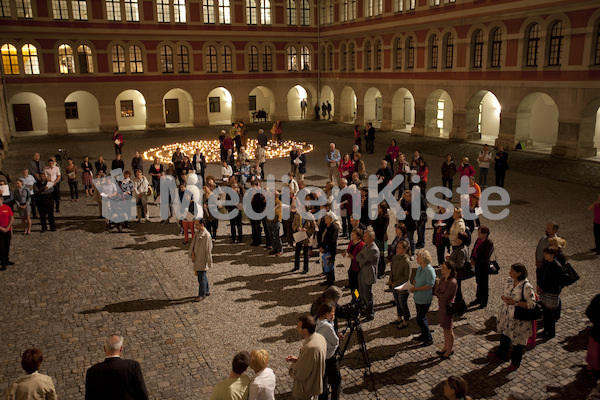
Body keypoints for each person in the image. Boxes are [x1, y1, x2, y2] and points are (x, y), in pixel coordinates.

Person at [488, 263, 536, 372]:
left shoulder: (526, 286)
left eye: (512, 271)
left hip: (518, 318)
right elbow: (503, 293)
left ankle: (515, 362)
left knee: (517, 342)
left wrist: (515, 302)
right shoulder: (509, 281)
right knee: (505, 336)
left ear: (519, 273)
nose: (510, 273)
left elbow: (532, 304)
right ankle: (501, 354)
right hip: (507, 315)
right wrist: (503, 298)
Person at [85, 334, 148, 400]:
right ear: (121, 348)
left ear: (104, 348)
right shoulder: (133, 366)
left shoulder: (92, 371)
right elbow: (142, 393)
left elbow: (89, 397)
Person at [287, 314, 327, 400]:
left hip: (307, 388)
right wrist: (298, 359)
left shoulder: (310, 347)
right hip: (314, 385)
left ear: (305, 330)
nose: (296, 328)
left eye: (298, 326)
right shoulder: (320, 337)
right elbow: (312, 361)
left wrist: (292, 367)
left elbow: (301, 372)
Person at [410, 249, 436, 347]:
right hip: (418, 297)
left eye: (418, 257)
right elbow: (416, 279)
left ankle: (429, 338)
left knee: (420, 319)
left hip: (425, 298)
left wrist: (416, 288)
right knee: (422, 317)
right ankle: (424, 335)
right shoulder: (420, 268)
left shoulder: (429, 270)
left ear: (424, 258)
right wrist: (412, 285)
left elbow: (429, 285)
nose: (417, 258)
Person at [315, 303, 341, 400]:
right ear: (326, 314)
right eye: (332, 314)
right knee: (336, 381)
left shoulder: (316, 321)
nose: (333, 316)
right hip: (329, 357)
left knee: (323, 381)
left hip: (320, 357)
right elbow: (335, 341)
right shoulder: (327, 326)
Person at [537, 247, 563, 340]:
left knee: (550, 314)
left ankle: (551, 332)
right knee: (546, 313)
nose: (545, 255)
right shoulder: (547, 263)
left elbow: (554, 281)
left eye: (547, 254)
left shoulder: (557, 266)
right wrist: (539, 285)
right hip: (545, 291)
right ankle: (546, 330)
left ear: (552, 255)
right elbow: (541, 274)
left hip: (551, 292)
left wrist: (544, 288)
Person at [434, 262, 458, 358]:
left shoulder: (452, 282)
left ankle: (450, 349)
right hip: (442, 306)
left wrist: (439, 295)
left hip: (448, 308)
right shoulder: (443, 278)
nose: (441, 269)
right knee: (445, 329)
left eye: (443, 268)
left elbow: (444, 296)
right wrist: (439, 294)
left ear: (449, 270)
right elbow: (436, 291)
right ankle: (445, 347)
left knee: (449, 329)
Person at [356, 228, 379, 322]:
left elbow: (364, 261)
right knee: (361, 293)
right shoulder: (366, 246)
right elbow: (358, 256)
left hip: (368, 274)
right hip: (362, 272)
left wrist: (361, 260)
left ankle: (370, 313)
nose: (363, 238)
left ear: (370, 238)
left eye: (365, 236)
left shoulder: (373, 249)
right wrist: (361, 259)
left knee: (367, 294)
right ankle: (365, 308)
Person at [469, 226, 494, 309]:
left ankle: (484, 301)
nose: (478, 234)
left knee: (484, 284)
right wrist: (472, 257)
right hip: (477, 265)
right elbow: (474, 249)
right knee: (479, 282)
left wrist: (475, 260)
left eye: (480, 233)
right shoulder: (479, 240)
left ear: (485, 234)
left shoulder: (489, 243)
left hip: (483, 266)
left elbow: (486, 256)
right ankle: (478, 298)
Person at [189, 218, 213, 301]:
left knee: (201, 277)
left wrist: (209, 262)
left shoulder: (206, 235)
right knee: (202, 275)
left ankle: (202, 294)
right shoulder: (198, 233)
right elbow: (194, 244)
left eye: (197, 224)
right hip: (197, 257)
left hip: (202, 259)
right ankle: (206, 291)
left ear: (202, 224)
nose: (195, 226)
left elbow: (208, 250)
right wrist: (192, 253)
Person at [389, 241, 412, 329]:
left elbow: (407, 277)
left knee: (403, 303)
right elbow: (392, 269)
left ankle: (406, 320)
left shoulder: (407, 262)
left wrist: (396, 283)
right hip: (394, 285)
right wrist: (390, 278)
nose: (397, 249)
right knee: (397, 302)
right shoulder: (395, 257)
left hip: (402, 287)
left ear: (404, 249)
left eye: (399, 247)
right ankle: (399, 318)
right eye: (397, 247)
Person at [292, 203, 316, 274]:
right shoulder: (297, 215)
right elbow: (293, 224)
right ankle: (296, 266)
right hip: (299, 235)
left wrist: (307, 231)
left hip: (306, 237)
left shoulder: (310, 216)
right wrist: (297, 228)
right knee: (297, 252)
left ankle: (306, 268)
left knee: (305, 253)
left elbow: (314, 228)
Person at [319, 212, 339, 287]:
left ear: (331, 219)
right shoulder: (325, 226)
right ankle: (328, 280)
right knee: (325, 265)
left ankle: (331, 282)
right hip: (325, 249)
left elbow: (332, 240)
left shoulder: (334, 228)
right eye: (325, 218)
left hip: (330, 249)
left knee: (330, 265)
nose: (325, 219)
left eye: (327, 218)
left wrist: (324, 247)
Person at [343, 228, 364, 294]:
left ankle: (357, 298)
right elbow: (348, 251)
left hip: (356, 268)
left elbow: (361, 258)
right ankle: (353, 299)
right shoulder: (351, 243)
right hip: (350, 266)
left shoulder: (361, 245)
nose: (352, 235)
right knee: (352, 284)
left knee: (356, 286)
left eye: (354, 234)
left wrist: (353, 257)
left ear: (358, 236)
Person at [372, 202, 389, 279]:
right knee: (377, 255)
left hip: (382, 238)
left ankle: (382, 271)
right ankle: (378, 270)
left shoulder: (385, 217)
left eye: (379, 208)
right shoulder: (379, 215)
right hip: (377, 237)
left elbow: (381, 228)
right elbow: (373, 224)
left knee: (382, 256)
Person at [586, 294, 600, 378]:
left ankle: (590, 369)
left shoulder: (598, 298)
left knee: (594, 351)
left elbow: (589, 312)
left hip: (597, 330)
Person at [0, 196, 14, 271]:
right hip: (0, 231)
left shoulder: (7, 207)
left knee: (7, 246)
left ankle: (6, 259)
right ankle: (3, 263)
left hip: (7, 229)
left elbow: (11, 217)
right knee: (1, 248)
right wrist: (1, 228)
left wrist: (8, 227)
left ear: (2, 200)